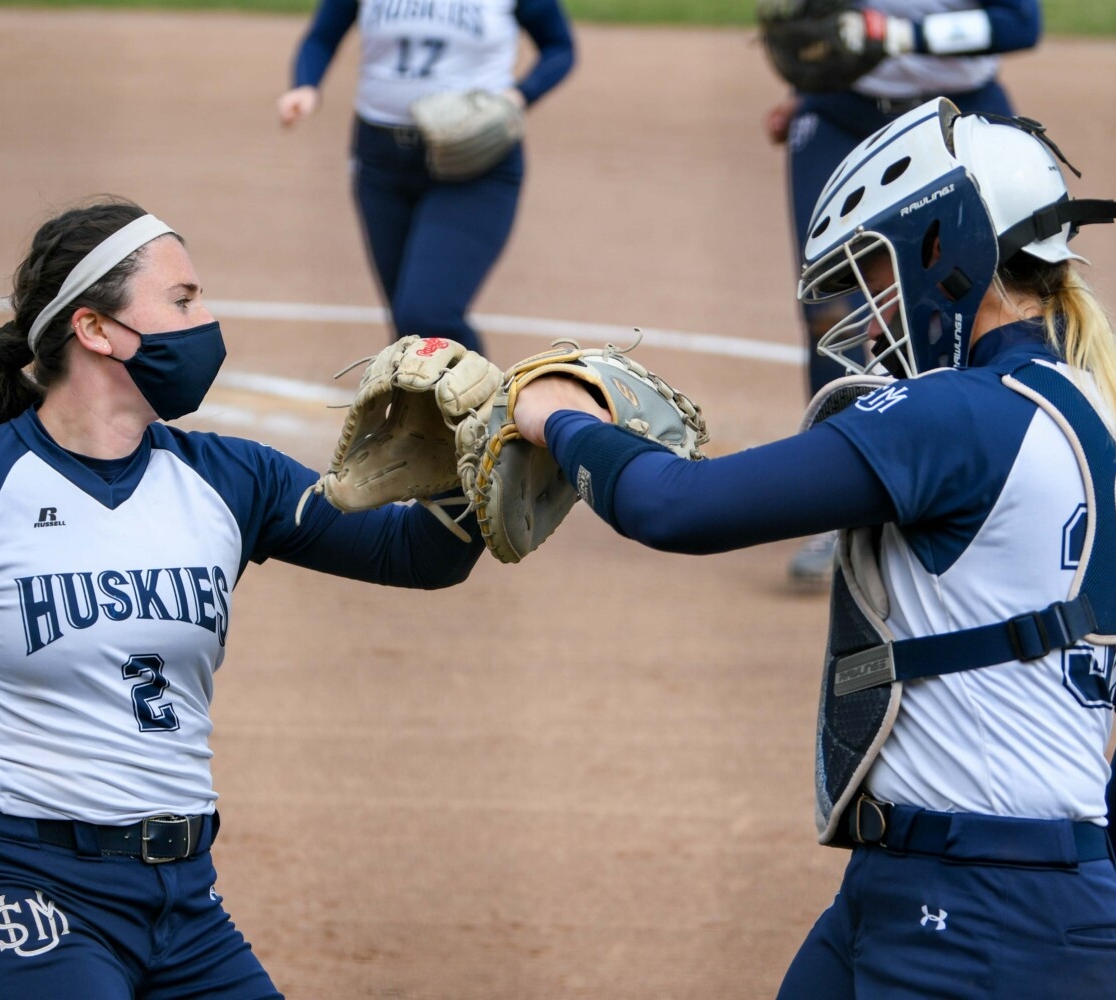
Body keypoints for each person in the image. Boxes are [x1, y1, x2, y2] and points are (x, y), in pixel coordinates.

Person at [0, 197, 486, 997]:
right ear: (95, 329)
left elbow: (417, 555)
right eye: (182, 300)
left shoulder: (230, 480)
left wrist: (476, 466)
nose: (206, 319)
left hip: (185, 905)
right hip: (18, 893)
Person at [511, 100, 1116, 996]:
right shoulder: (1082, 411)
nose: (867, 315)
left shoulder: (956, 416)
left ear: (944, 251)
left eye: (876, 270)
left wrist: (557, 414)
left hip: (983, 912)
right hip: (956, 882)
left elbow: (680, 508)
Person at [764, 0, 1042, 585]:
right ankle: (832, 503)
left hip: (957, 118)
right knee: (828, 312)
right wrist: (810, 79)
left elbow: (1020, 23)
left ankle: (982, 484)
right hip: (844, 117)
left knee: (980, 300)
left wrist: (899, 33)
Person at [276, 0, 575, 358]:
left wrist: (520, 94)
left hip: (475, 166)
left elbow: (559, 46)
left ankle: (487, 405)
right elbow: (323, 36)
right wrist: (306, 84)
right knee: (410, 330)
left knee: (428, 313)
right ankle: (431, 411)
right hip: (380, 162)